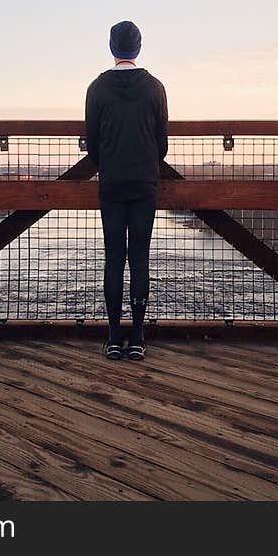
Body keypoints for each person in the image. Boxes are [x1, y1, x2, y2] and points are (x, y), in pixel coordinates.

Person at [85, 20, 169, 360]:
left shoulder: (97, 89)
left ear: (111, 47)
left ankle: (113, 337)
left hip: (112, 184)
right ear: (138, 48)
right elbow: (162, 143)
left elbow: (93, 146)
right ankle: (138, 337)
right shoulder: (155, 88)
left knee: (114, 259)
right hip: (144, 184)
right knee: (139, 259)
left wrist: (108, 162)